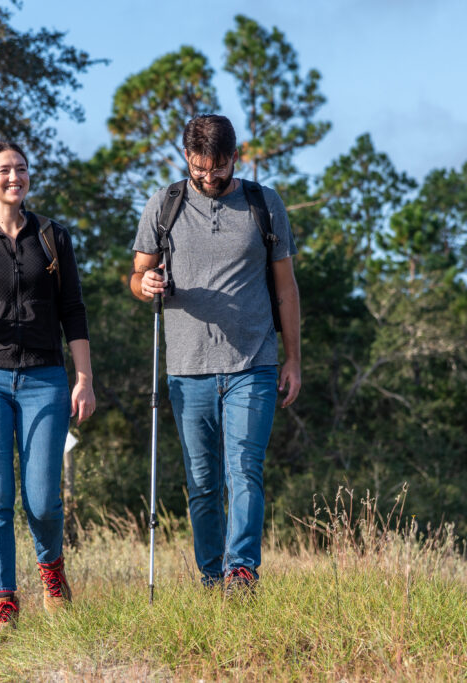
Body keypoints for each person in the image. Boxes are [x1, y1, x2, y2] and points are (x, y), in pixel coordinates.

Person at [129, 114, 301, 594]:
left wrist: (292, 359)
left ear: (235, 155)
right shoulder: (164, 206)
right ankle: (211, 576)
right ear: (187, 156)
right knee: (202, 482)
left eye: (218, 167)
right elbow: (137, 275)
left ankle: (241, 572)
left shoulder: (262, 205)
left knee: (244, 468)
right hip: (187, 369)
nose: (209, 177)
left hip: (254, 362)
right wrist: (146, 284)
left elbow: (286, 288)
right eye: (200, 168)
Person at [0, 140, 95, 627]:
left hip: (45, 377)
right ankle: (2, 599)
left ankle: (52, 570)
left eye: (22, 170)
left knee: (42, 494)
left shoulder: (52, 237)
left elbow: (73, 310)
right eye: (5, 170)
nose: (15, 177)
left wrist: (84, 378)